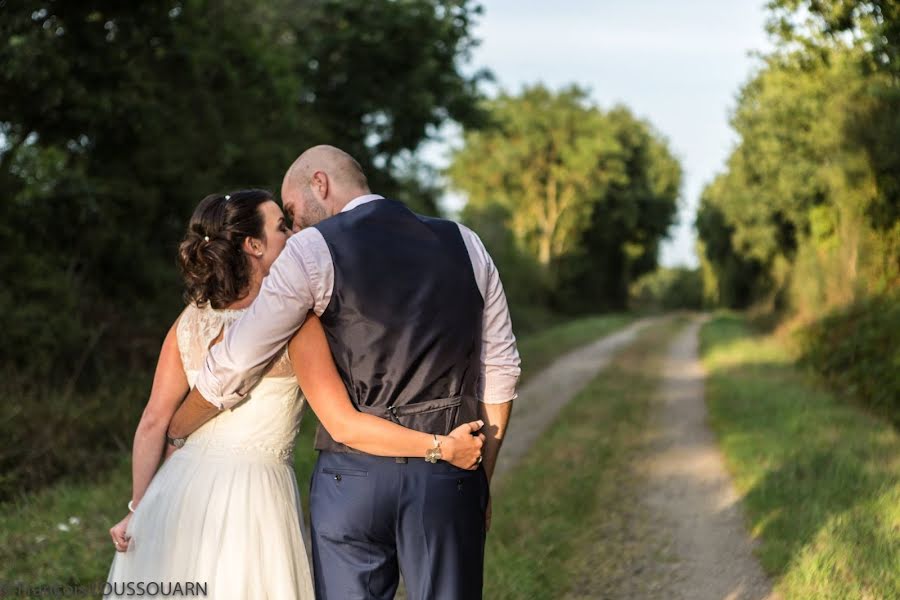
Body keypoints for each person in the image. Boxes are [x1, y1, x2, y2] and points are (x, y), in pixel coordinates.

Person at [168, 145, 521, 600]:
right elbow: (500, 371)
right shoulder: (465, 242)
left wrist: (178, 427)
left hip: (351, 481)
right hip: (445, 475)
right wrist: (480, 478)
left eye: (292, 212)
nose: (294, 228)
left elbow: (238, 359)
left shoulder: (311, 250)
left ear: (321, 184)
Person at [104, 189, 485, 600]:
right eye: (282, 227)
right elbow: (343, 422)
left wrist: (139, 509)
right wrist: (441, 448)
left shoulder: (188, 321)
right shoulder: (297, 326)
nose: (295, 234)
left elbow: (153, 423)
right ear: (253, 246)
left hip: (177, 492)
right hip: (252, 503)